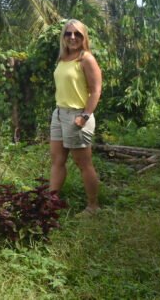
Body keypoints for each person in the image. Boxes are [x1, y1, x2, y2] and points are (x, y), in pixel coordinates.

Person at [49, 19, 102, 214]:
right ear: (63, 37)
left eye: (77, 34)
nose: (72, 37)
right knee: (57, 161)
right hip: (60, 113)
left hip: (78, 116)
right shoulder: (63, 58)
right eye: (68, 33)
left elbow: (96, 90)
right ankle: (50, 203)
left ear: (83, 37)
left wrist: (84, 116)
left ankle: (93, 206)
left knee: (83, 164)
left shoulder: (85, 58)